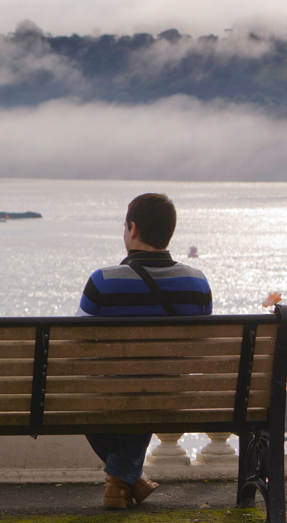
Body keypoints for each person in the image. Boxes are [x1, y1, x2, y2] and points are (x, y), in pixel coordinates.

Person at [76, 193, 212, 509]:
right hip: (177, 394)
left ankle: (122, 479)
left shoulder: (103, 281)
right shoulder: (197, 282)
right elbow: (202, 344)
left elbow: (76, 346)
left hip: (111, 394)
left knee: (107, 388)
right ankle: (126, 479)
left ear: (132, 229)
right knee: (151, 382)